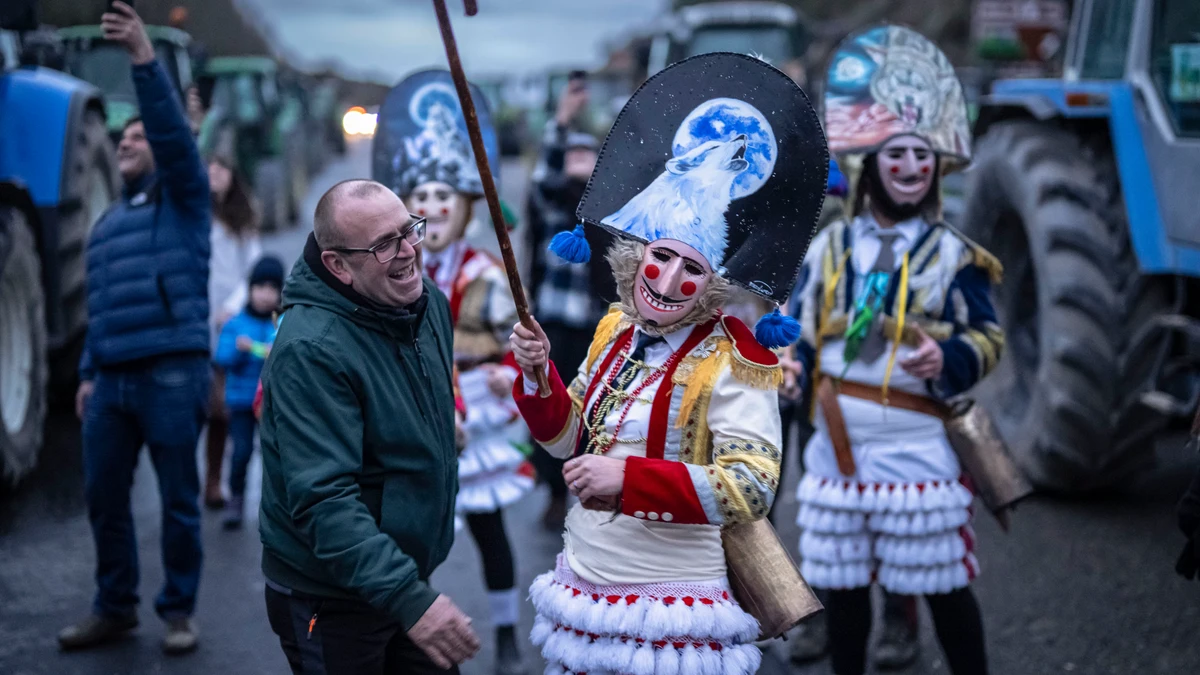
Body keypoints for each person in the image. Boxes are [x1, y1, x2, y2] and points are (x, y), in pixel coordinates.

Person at [509, 52, 828, 675]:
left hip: (672, 600)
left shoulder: (738, 357)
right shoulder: (614, 328)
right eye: (660, 256)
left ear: (713, 284)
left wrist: (626, 481)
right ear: (638, 256)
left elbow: (752, 487)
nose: (668, 279)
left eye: (693, 268)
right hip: (585, 582)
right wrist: (537, 373)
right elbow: (569, 440)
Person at [790, 25, 1004, 675]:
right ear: (868, 165)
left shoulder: (955, 255)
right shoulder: (828, 249)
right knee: (845, 592)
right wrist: (790, 369)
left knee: (943, 586)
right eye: (897, 154)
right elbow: (799, 334)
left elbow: (988, 335)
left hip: (917, 453)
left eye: (922, 154)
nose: (912, 166)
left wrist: (950, 359)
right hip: (836, 454)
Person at [258, 179, 479, 673]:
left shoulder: (427, 303)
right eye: (384, 244)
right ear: (338, 265)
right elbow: (324, 500)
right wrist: (410, 600)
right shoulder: (311, 350)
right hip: (330, 596)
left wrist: (444, 432)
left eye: (409, 229)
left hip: (397, 574)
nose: (409, 251)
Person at [59, 2, 210, 655]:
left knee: (178, 499)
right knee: (104, 499)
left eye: (138, 137)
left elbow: (174, 137)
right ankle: (114, 605)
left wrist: (144, 57)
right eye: (121, 137)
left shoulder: (185, 199)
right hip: (111, 378)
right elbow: (100, 305)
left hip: (172, 370)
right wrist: (88, 373)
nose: (124, 141)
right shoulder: (106, 226)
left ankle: (178, 610)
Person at [375, 69, 532, 675]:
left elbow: (520, 342)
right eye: (421, 197)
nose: (433, 207)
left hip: (472, 401)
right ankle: (411, 633)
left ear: (465, 206)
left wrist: (508, 373)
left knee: (489, 528)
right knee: (410, 531)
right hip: (412, 405)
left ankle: (506, 630)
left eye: (445, 196)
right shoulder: (394, 272)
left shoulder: (487, 273)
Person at [525, 86, 617, 531]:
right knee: (553, 407)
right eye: (571, 155)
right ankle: (553, 490)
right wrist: (561, 120)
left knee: (596, 412)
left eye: (587, 155)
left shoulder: (610, 211)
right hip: (555, 326)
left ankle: (591, 487)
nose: (578, 161)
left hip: (598, 327)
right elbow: (544, 175)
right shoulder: (552, 204)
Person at [205, 153, 262, 509]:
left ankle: (215, 479)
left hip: (227, 322)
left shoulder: (241, 221)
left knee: (220, 409)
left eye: (221, 169)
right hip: (197, 319)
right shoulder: (194, 215)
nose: (214, 175)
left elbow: (251, 271)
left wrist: (232, 306)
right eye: (209, 169)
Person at [213, 255, 282, 529]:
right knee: (240, 452)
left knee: (273, 454)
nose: (265, 294)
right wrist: (241, 351)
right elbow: (222, 358)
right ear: (250, 289)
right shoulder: (235, 323)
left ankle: (275, 505)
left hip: (272, 404)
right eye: (260, 287)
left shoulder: (281, 323)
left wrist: (257, 349)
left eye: (272, 288)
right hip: (242, 402)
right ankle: (236, 498)